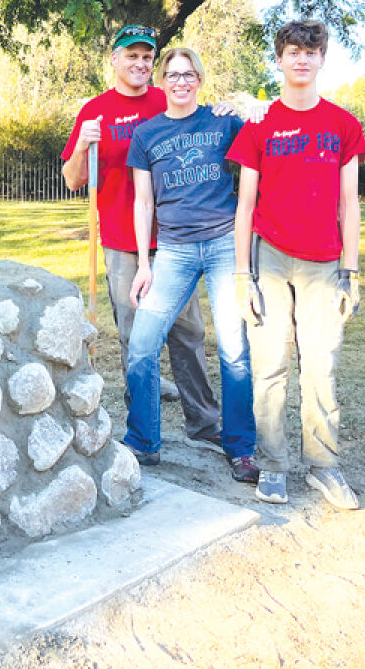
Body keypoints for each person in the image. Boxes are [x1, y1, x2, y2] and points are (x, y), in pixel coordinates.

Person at [62, 25, 232, 458]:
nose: (139, 64)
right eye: (131, 55)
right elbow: (72, 180)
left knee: (188, 331)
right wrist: (83, 145)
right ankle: (143, 425)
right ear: (114, 60)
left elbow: (210, 133)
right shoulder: (95, 111)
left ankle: (204, 420)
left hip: (177, 240)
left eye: (146, 57)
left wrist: (231, 109)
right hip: (122, 240)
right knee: (135, 334)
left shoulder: (167, 97)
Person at [227, 19, 365, 509]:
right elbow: (244, 206)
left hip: (324, 265)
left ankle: (324, 467)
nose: (302, 60)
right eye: (292, 51)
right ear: (280, 60)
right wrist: (243, 275)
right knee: (269, 367)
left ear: (322, 58)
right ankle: (273, 464)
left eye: (311, 52)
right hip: (269, 260)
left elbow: (350, 205)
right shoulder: (260, 126)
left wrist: (351, 271)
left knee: (321, 367)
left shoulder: (343, 125)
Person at [121, 47, 257, 481]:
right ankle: (143, 442)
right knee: (142, 346)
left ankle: (240, 448)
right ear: (162, 82)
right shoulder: (147, 135)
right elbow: (144, 203)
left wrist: (248, 106)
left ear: (199, 78)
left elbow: (265, 140)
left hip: (223, 246)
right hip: (174, 252)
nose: (180, 82)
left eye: (188, 74)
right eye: (173, 75)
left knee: (234, 351)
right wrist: (144, 263)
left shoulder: (223, 122)